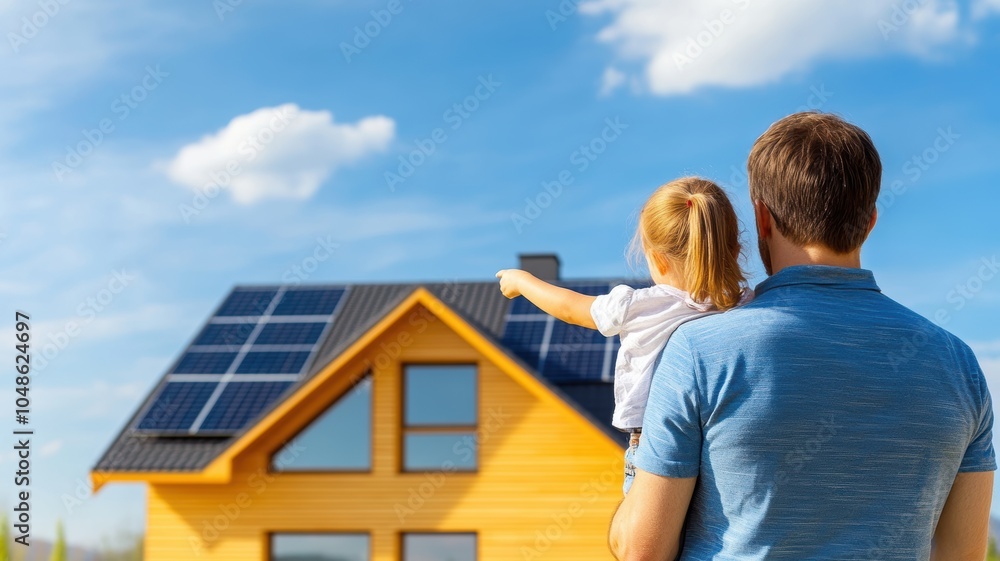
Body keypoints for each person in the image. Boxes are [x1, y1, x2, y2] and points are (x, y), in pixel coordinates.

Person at [608, 112, 995, 560]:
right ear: (869, 221)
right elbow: (963, 554)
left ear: (761, 218)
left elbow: (641, 549)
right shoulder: (959, 366)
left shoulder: (698, 352)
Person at [496, 177, 750, 494]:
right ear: (736, 249)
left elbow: (569, 308)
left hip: (654, 445)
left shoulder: (637, 307)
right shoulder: (747, 307)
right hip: (724, 443)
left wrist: (522, 281)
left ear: (656, 257)